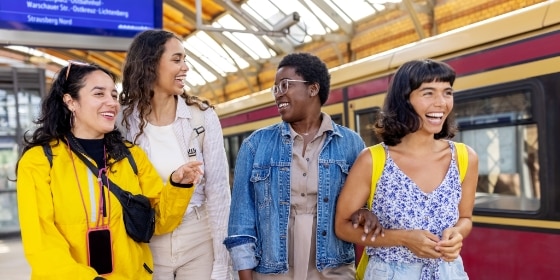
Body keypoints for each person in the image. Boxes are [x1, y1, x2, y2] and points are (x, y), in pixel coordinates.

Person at [16, 61, 204, 279]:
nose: (112, 103)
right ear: (70, 102)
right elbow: (41, 242)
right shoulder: (40, 161)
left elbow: (156, 223)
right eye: (99, 94)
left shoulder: (131, 156)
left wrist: (178, 186)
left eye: (114, 95)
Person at [224, 52, 369, 280]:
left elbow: (363, 206)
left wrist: (365, 213)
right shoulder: (255, 145)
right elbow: (241, 221)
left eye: (285, 85)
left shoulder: (351, 144)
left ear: (313, 89)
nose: (278, 94)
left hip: (333, 269)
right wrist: (245, 275)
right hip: (272, 270)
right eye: (275, 88)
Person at [334, 59, 479, 279]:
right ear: (405, 100)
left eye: (447, 92)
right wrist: (403, 238)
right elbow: (343, 227)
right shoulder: (373, 160)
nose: (441, 102)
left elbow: (465, 218)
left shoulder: (464, 157)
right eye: (428, 93)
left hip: (449, 273)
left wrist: (457, 234)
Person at [119, 29, 232, 280]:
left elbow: (219, 193)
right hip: (147, 238)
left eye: (185, 59)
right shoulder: (122, 122)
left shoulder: (202, 117)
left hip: (198, 236)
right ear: (150, 63)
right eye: (177, 59)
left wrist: (223, 264)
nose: (186, 68)